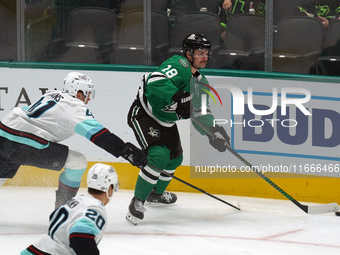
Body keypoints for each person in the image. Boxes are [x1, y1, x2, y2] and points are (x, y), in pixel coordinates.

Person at [0, 72, 147, 209]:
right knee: (77, 162)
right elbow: (99, 135)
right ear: (78, 93)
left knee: (4, 170)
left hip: (4, 134)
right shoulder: (75, 107)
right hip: (24, 142)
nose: (89, 99)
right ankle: (62, 210)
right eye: (88, 94)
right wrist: (126, 151)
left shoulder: (52, 94)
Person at [126, 34, 230, 225]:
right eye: (200, 53)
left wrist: (213, 132)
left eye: (206, 53)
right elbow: (155, 80)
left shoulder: (201, 83)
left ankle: (155, 194)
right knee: (159, 155)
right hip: (145, 115)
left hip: (166, 122)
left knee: (175, 158)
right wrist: (175, 96)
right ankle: (137, 201)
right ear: (188, 54)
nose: (204, 57)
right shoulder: (179, 64)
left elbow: (200, 112)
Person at [20, 162, 119, 255]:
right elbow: (80, 236)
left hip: (37, 249)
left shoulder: (77, 200)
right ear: (109, 189)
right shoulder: (95, 208)